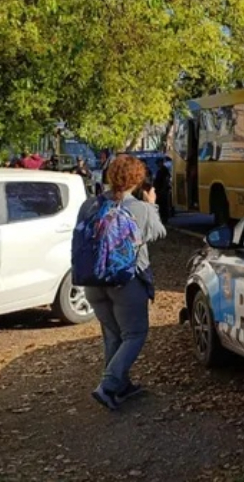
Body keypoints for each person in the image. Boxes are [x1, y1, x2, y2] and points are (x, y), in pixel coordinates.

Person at [77, 154, 167, 410]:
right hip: (126, 281)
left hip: (93, 280)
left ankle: (121, 386)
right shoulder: (140, 208)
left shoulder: (89, 206)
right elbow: (158, 232)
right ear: (138, 180)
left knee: (113, 334)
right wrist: (152, 205)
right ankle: (108, 385)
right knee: (135, 333)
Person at [153, 158, 172, 223]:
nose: (158, 164)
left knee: (163, 204)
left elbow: (166, 180)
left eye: (159, 163)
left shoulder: (164, 170)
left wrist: (163, 189)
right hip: (159, 190)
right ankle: (162, 217)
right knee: (160, 204)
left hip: (162, 190)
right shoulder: (160, 170)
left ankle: (164, 217)